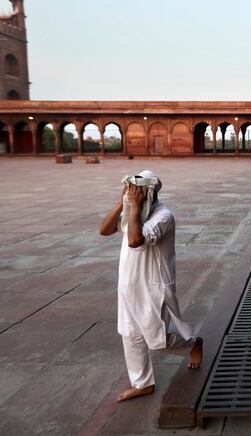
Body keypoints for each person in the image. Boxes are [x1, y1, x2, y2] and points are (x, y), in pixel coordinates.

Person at [99, 170, 202, 402]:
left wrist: (134, 207)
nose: (132, 195)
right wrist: (121, 202)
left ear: (149, 194)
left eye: (137, 192)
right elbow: (103, 230)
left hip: (152, 288)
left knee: (158, 340)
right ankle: (142, 383)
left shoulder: (163, 217)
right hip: (128, 284)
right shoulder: (130, 210)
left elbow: (135, 240)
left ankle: (192, 344)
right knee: (130, 334)